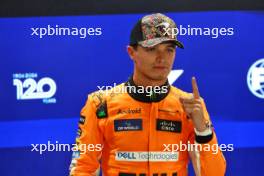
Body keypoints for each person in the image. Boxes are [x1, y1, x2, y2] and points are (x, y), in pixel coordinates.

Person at [69, 13, 226, 176]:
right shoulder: (100, 104)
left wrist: (203, 132)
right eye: (152, 49)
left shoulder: (189, 106)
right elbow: (83, 169)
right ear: (131, 52)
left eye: (169, 50)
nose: (162, 58)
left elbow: (214, 174)